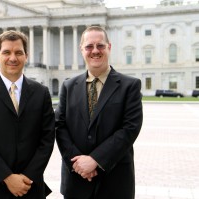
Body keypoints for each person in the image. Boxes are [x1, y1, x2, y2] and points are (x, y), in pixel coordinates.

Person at [55, 26, 143, 199]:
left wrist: (95, 160)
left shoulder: (130, 86)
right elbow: (59, 126)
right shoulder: (68, 86)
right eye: (89, 46)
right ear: (81, 50)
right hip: (76, 181)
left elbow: (129, 129)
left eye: (100, 46)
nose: (95, 51)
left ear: (109, 47)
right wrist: (79, 164)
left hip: (115, 182)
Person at [0, 30, 55, 199]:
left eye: (18, 53)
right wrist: (7, 177)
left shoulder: (41, 93)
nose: (13, 58)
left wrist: (28, 176)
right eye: (6, 52)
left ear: (26, 56)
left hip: (29, 186)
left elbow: (47, 139)